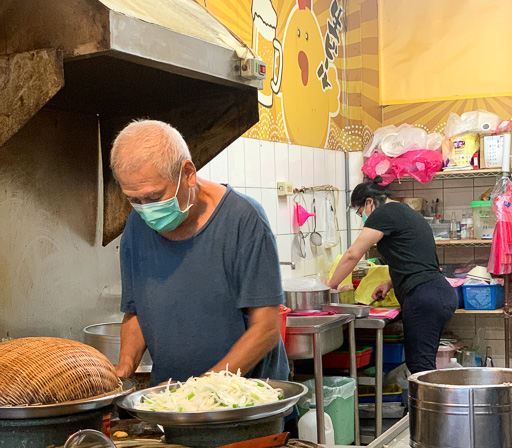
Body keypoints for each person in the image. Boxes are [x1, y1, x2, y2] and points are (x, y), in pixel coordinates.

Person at [111, 119, 289, 384]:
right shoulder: (136, 227)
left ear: (188, 173)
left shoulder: (243, 220)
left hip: (247, 406)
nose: (145, 209)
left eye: (154, 197)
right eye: (134, 199)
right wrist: (123, 369)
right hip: (170, 404)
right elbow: (137, 312)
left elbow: (266, 328)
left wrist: (203, 389)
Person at [327, 176, 457, 374]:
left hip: (424, 298)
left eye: (361, 212)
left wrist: (330, 287)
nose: (363, 217)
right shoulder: (403, 211)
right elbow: (415, 259)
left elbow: (352, 254)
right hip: (438, 293)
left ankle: (428, 405)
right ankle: (428, 404)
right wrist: (390, 283)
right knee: (424, 365)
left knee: (420, 368)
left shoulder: (383, 213)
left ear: (370, 202)